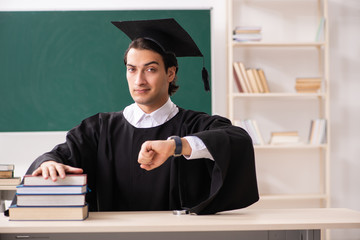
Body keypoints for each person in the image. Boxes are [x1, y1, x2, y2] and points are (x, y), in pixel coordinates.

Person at [21, 18, 259, 215]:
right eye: (132, 69)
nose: (139, 80)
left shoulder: (194, 125)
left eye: (151, 69)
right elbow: (59, 155)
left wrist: (177, 145)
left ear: (170, 73)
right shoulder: (100, 128)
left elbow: (237, 140)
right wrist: (48, 164)